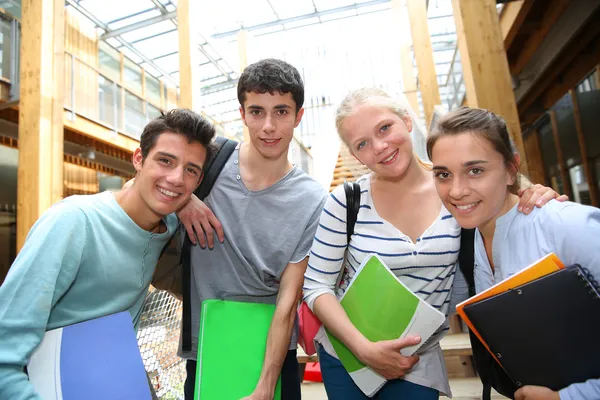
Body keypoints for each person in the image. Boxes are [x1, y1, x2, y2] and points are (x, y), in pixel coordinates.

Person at [302, 88, 564, 399]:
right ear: (355, 155)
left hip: (418, 358)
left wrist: (532, 190)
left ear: (406, 122)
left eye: (385, 128)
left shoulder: (454, 188)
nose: (380, 146)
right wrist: (364, 349)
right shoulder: (347, 202)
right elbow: (317, 284)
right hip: (348, 356)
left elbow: (502, 182)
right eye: (363, 144)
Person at [0, 109, 215, 400]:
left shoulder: (171, 223)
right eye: (165, 160)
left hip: (116, 380)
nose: (176, 178)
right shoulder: (72, 222)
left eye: (190, 170)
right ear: (138, 159)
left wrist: (186, 202)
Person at [174, 58, 328, 400]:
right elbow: (147, 180)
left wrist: (265, 385)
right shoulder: (207, 163)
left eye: (281, 112)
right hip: (206, 349)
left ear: (298, 116)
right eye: (257, 111)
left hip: (271, 353)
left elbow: (288, 302)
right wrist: (183, 199)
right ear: (242, 113)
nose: (269, 126)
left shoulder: (313, 199)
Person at [428, 106, 600, 400]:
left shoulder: (568, 226)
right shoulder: (463, 241)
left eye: (475, 170)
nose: (456, 191)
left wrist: (575, 396)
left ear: (511, 169)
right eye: (443, 174)